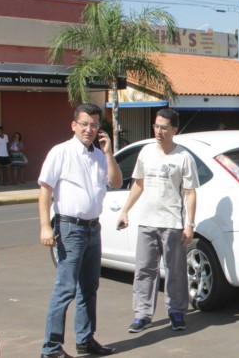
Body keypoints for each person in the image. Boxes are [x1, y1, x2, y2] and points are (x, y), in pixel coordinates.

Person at [38, 103, 122, 358]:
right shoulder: (60, 152)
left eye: (94, 125)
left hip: (92, 229)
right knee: (65, 289)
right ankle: (50, 348)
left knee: (89, 287)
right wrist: (44, 226)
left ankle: (85, 340)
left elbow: (116, 182)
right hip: (69, 228)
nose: (89, 129)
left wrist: (109, 154)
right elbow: (45, 191)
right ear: (73, 125)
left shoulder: (99, 155)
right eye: (84, 124)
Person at [116, 108, 199, 334]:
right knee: (144, 269)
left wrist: (189, 225)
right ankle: (142, 315)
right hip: (146, 222)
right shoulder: (145, 152)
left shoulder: (183, 157)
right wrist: (125, 211)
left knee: (175, 271)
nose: (158, 131)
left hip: (172, 222)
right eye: (156, 126)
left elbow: (190, 193)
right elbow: (138, 184)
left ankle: (177, 312)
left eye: (163, 127)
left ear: (174, 129)